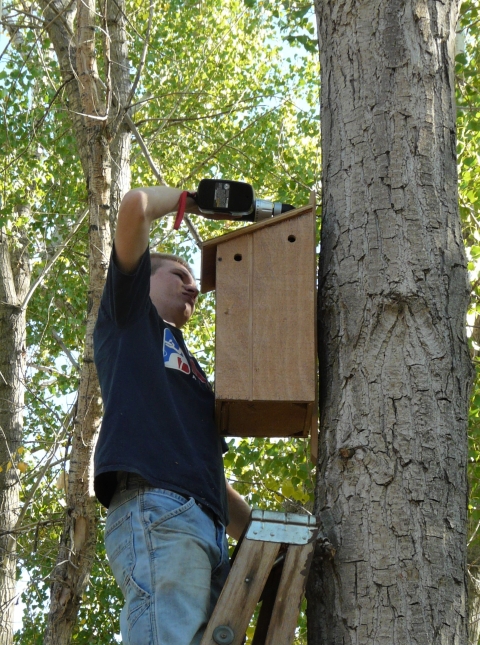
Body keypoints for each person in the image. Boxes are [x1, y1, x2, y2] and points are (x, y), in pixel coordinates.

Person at [93, 186, 251, 645]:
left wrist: (262, 531)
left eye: (193, 281)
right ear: (142, 277)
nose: (193, 286)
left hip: (203, 526)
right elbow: (135, 207)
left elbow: (204, 478)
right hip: (158, 512)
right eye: (178, 273)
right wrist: (194, 200)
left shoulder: (194, 377)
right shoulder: (129, 320)